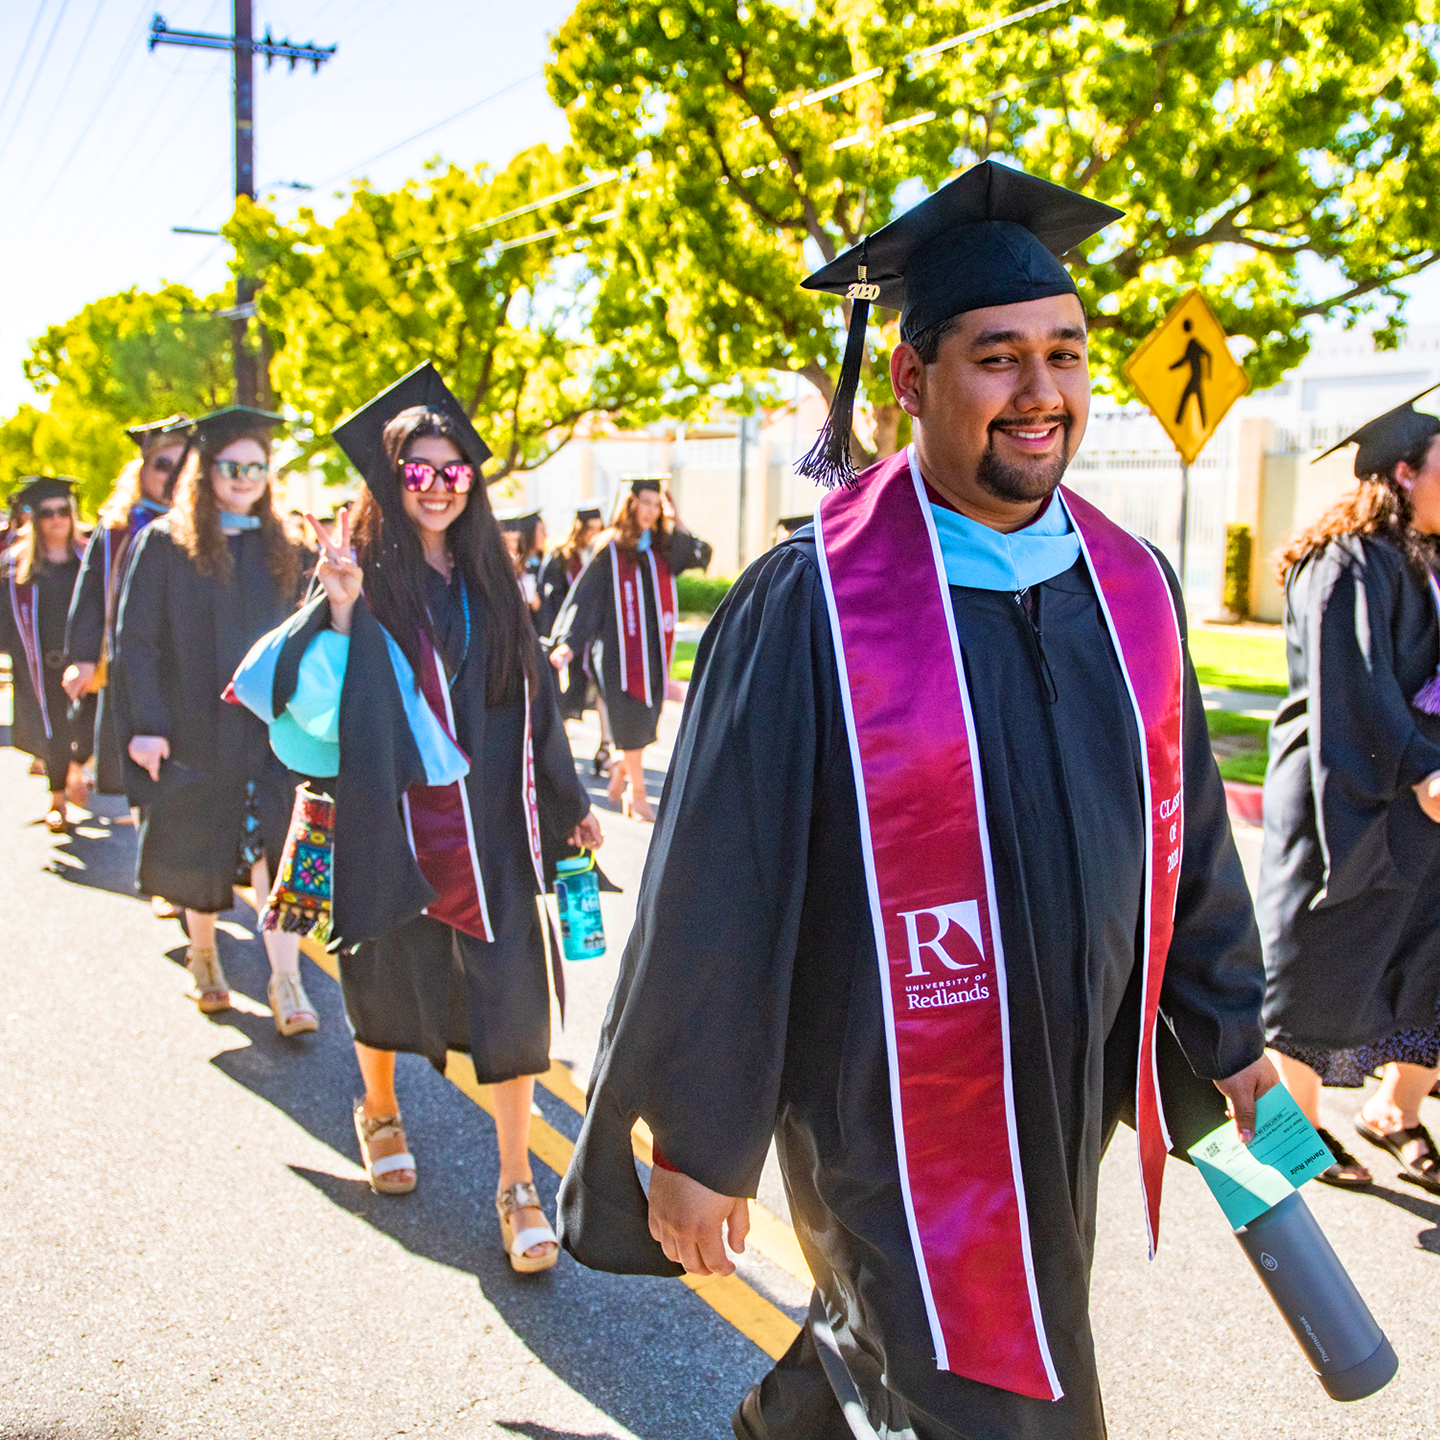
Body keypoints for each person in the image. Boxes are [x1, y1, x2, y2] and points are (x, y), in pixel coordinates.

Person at [557, 162, 1273, 1440]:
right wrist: (700, 1139)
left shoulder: (1129, 583)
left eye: (1064, 354)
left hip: (1067, 1078)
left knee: (910, 1352)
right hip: (884, 1095)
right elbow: (718, 887)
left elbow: (1190, 831)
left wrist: (1229, 1030)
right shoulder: (816, 602)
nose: (1042, 392)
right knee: (1002, 1386)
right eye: (999, 358)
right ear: (908, 377)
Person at [232, 363, 603, 1271]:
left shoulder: (491, 575)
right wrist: (340, 607)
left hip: (492, 820)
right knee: (385, 971)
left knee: (513, 997)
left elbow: (532, 696)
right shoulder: (362, 572)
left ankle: (517, 1184)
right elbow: (317, 693)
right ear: (391, 480)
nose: (438, 486)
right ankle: (380, 1108)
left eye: (453, 470)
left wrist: (567, 804)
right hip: (393, 813)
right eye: (419, 471)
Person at [1258, 389, 1440, 1193]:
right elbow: (1354, 684)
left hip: (1418, 793)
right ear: (1404, 473)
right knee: (1320, 953)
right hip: (1346, 783)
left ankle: (1396, 1111)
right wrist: (1423, 767)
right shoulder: (1346, 560)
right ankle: (1284, 1131)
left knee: (1423, 954)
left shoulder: (1427, 560)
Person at [111, 407, 317, 1037]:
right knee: (201, 844)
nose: (245, 478)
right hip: (193, 725)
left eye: (257, 467)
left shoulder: (287, 546)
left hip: (270, 730)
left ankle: (287, 980)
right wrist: (147, 724)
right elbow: (136, 641)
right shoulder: (166, 544)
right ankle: (203, 956)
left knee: (281, 847)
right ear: (207, 470)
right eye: (233, 467)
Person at [547, 480, 709, 821]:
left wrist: (676, 517)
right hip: (618, 655)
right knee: (632, 721)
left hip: (653, 654)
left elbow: (699, 553)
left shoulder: (661, 549)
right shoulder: (610, 549)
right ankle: (637, 796)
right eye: (645, 503)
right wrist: (569, 644)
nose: (651, 511)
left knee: (645, 721)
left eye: (656, 505)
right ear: (631, 503)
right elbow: (586, 597)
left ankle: (620, 774)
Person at [63, 416, 188, 803]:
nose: (173, 477)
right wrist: (83, 658)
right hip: (135, 661)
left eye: (184, 466)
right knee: (140, 775)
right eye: (163, 465)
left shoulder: (212, 527)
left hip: (192, 662)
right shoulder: (118, 528)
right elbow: (90, 595)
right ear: (142, 470)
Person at [0, 477, 94, 832]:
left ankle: (76, 767)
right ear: (35, 519)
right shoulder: (15, 566)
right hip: (39, 661)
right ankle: (57, 801)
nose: (56, 519)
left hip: (86, 660)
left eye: (62, 511)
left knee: (88, 726)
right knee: (54, 729)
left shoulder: (89, 558)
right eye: (47, 513)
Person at [538, 505, 603, 721]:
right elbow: (550, 598)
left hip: (590, 636)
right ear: (579, 528)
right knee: (562, 696)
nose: (594, 534)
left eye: (599, 529)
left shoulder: (601, 557)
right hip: (564, 633)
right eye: (590, 528)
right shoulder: (561, 556)